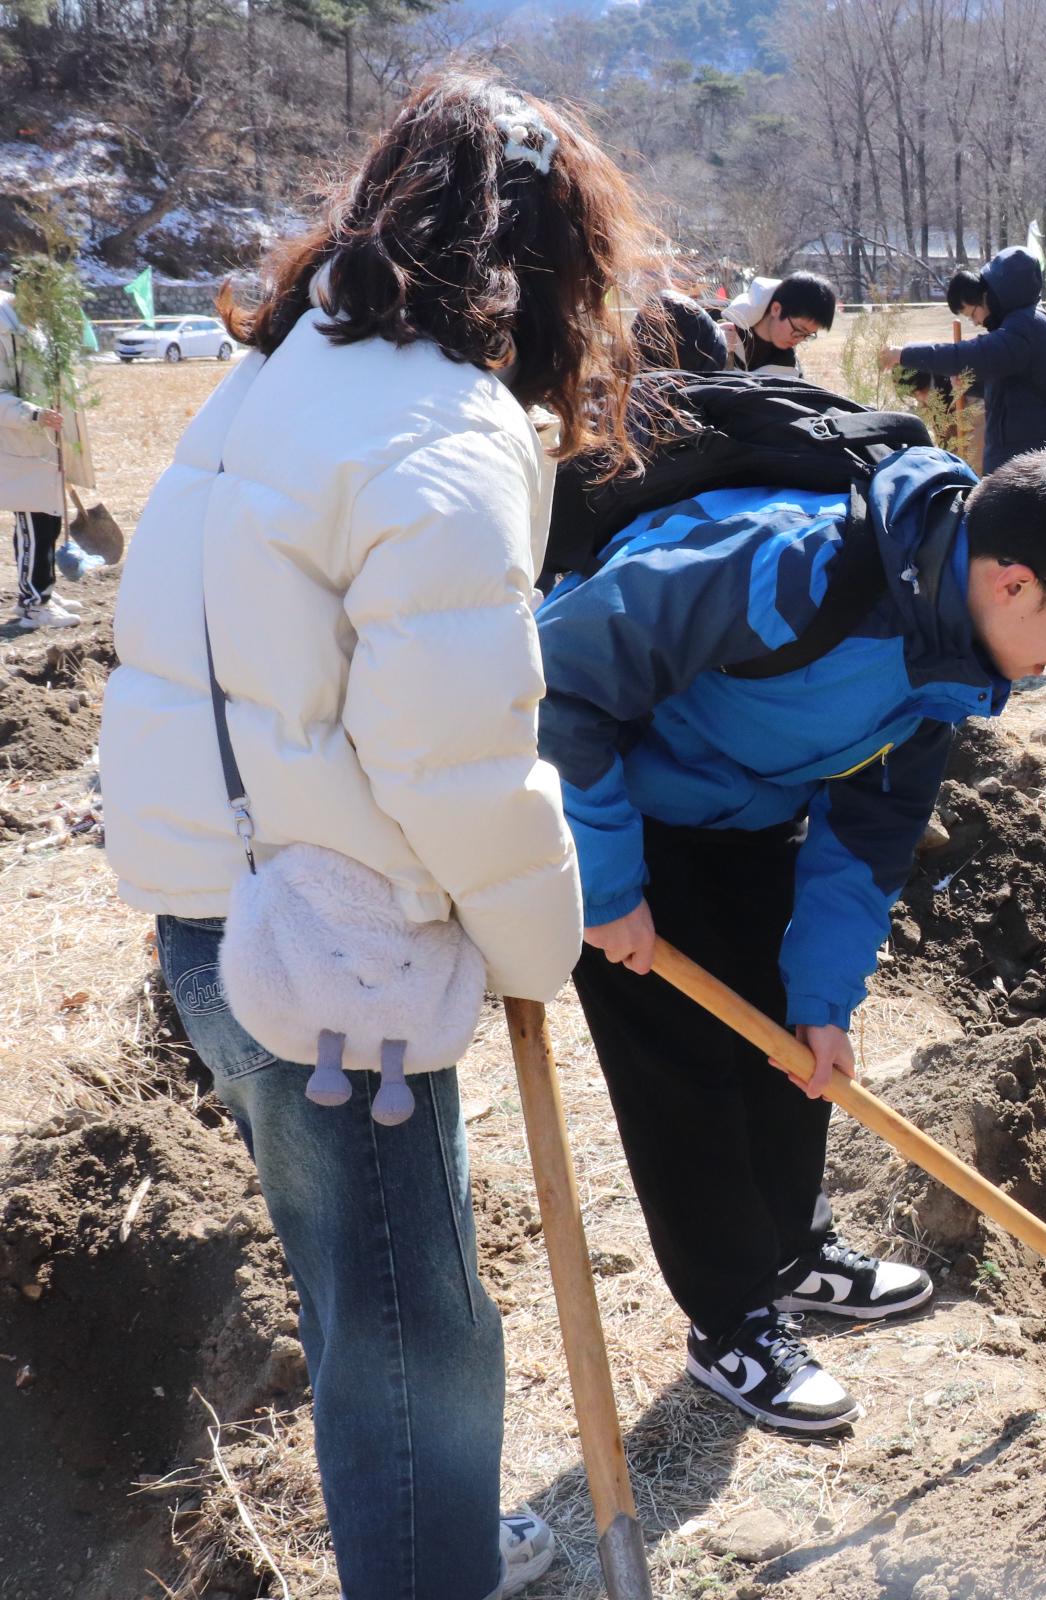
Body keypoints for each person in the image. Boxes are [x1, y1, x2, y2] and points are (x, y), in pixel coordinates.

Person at [97, 73, 659, 1600]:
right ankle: (428, 1569)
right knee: (417, 1336)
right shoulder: (442, 429)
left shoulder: (277, 374)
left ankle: (432, 1541)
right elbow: (456, 761)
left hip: (217, 923)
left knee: (366, 1297)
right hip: (336, 967)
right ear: (549, 257)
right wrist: (542, 935)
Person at [537, 442, 1046, 1434]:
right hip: (618, 812)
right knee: (686, 1075)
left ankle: (792, 1253)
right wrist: (607, 881)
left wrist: (824, 998)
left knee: (790, 1046)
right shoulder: (789, 569)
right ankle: (731, 1321)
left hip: (749, 816)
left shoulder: (951, 662)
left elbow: (866, 840)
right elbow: (558, 673)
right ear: (1015, 582)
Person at [881, 246, 1046, 473]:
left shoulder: (1020, 330)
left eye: (972, 314)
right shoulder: (1023, 326)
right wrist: (975, 384)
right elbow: (1014, 382)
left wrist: (904, 354)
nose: (976, 323)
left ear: (987, 296)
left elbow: (965, 355)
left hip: (1026, 460)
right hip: (1022, 452)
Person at [1, 286, 95, 630]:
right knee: (34, 527)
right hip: (21, 446)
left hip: (46, 445)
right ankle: (33, 605)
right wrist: (32, 414)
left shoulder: (37, 327)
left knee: (49, 523)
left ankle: (45, 592)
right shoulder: (3, 331)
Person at [721, 271, 838, 373]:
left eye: (807, 335)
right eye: (799, 330)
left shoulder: (790, 366)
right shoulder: (718, 331)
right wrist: (715, 344)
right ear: (776, 309)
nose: (799, 340)